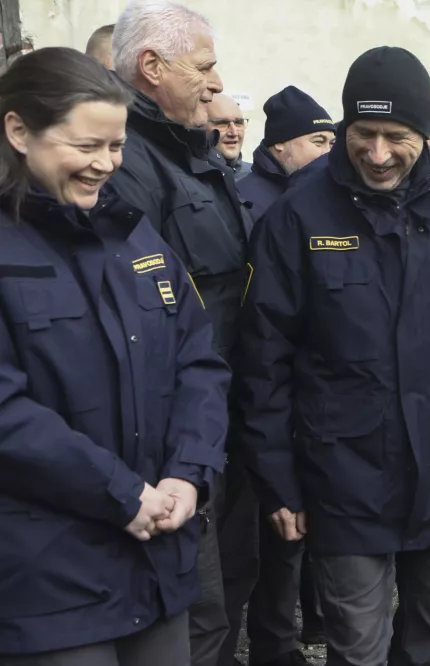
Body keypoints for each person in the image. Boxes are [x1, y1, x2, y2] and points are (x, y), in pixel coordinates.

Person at [235, 46, 430, 665]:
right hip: (342, 476)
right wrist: (278, 481)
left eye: (397, 137)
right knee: (356, 650)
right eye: (362, 133)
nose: (376, 153)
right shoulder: (297, 215)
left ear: (426, 133)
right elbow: (263, 362)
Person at [0, 47, 229, 665]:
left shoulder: (133, 233)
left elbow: (198, 362)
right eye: (86, 146)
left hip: (154, 565)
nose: (105, 164)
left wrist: (189, 472)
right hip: (46, 589)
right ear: (18, 131)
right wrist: (119, 494)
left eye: (117, 146)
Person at [107, 2, 254, 664]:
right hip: (177, 440)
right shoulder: (128, 163)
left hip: (222, 415)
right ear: (152, 66)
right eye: (205, 67)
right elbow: (145, 323)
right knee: (197, 611)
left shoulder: (189, 151)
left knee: (229, 585)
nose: (216, 84)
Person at [228, 83, 336, 666]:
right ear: (281, 146)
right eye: (318, 140)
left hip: (312, 390)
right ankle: (265, 642)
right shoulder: (246, 199)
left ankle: (301, 627)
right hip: (262, 389)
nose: (329, 151)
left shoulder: (323, 198)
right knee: (266, 530)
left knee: (304, 527)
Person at [238, 85, 336, 222]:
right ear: (280, 142)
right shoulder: (242, 199)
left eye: (332, 144)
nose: (328, 152)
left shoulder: (331, 192)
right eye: (318, 142)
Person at [206, 94, 252, 181]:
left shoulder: (259, 178)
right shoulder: (186, 180)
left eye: (238, 123)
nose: (234, 133)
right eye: (222, 123)